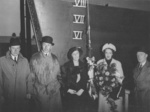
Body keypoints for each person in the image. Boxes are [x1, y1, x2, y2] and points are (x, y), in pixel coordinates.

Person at [30, 36, 62, 112]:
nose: (46, 47)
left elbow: (58, 74)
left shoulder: (55, 58)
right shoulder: (35, 58)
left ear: (51, 46)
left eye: (48, 45)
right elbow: (31, 75)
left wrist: (57, 85)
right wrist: (32, 90)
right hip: (40, 91)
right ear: (41, 45)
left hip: (54, 91)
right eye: (44, 44)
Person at [0, 37, 31, 112]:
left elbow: (29, 78)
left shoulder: (25, 61)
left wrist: (29, 92)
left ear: (20, 49)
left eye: (17, 48)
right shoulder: (2, 61)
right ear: (9, 48)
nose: (16, 50)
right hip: (7, 97)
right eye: (13, 48)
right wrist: (1, 95)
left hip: (21, 97)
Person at [97, 43, 124, 112]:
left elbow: (121, 78)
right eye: (106, 53)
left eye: (110, 53)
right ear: (104, 53)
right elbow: (97, 76)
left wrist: (115, 86)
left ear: (112, 54)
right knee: (104, 108)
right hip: (103, 91)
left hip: (114, 90)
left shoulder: (117, 63)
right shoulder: (99, 62)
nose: (108, 55)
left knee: (113, 108)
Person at [61, 47, 88, 112]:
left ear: (79, 54)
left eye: (77, 53)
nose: (76, 55)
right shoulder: (66, 66)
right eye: (74, 54)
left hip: (81, 92)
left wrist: (82, 89)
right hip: (70, 93)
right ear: (71, 55)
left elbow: (86, 79)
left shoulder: (84, 65)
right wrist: (67, 89)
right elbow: (62, 80)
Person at [133, 47, 150, 112]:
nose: (139, 56)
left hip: (147, 98)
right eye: (137, 55)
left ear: (146, 55)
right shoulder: (135, 68)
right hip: (137, 98)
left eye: (141, 54)